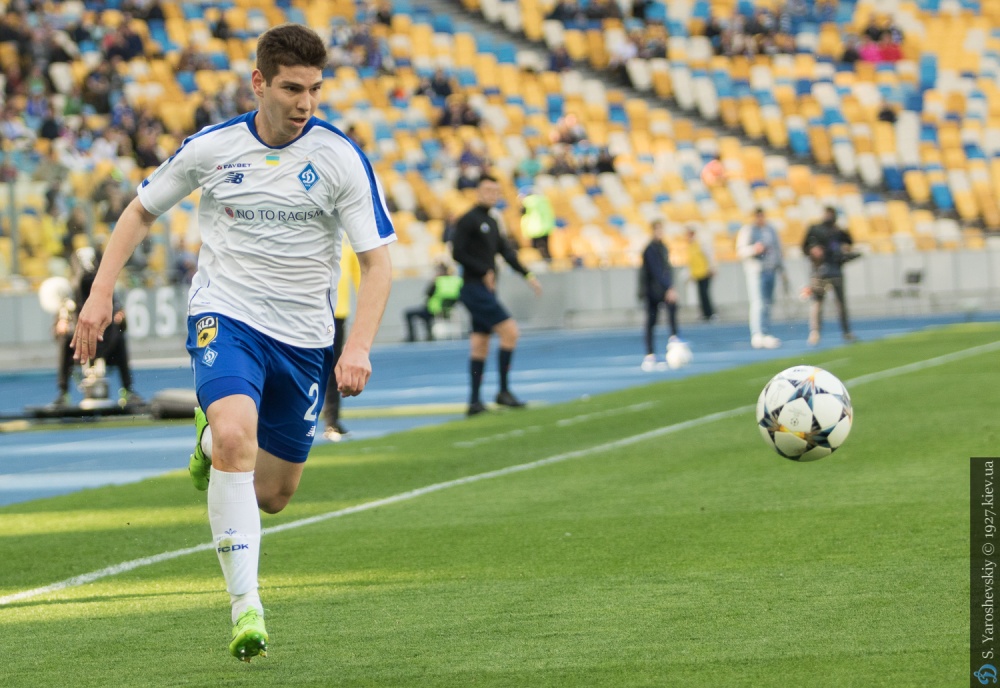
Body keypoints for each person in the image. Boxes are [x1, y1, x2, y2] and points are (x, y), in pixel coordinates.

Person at [71, 24, 395, 663]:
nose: (305, 103)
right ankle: (246, 606)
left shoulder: (339, 158)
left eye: (315, 89)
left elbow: (377, 261)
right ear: (258, 83)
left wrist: (357, 346)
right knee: (234, 438)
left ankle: (205, 438)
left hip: (304, 338)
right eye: (292, 88)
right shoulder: (211, 148)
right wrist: (100, 292)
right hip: (227, 315)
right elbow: (139, 211)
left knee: (272, 495)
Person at [451, 174, 542, 415]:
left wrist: (528, 275)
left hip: (486, 290)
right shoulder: (468, 220)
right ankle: (503, 391)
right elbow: (457, 253)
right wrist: (483, 270)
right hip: (473, 289)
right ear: (478, 192)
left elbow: (506, 252)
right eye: (487, 190)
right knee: (510, 332)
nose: (491, 194)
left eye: (495, 191)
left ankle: (474, 402)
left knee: (479, 344)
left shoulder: (493, 221)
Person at [54, 247, 141, 408]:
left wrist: (120, 320)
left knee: (120, 339)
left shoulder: (109, 295)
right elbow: (59, 327)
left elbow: (123, 325)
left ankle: (128, 390)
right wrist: (62, 325)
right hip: (80, 347)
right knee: (65, 342)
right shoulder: (70, 298)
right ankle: (63, 393)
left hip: (106, 344)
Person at [322, 240, 362, 441]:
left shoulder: (348, 239)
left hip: (337, 312)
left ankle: (332, 421)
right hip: (312, 311)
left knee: (332, 370)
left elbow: (360, 276)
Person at [802, 206, 858, 345]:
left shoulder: (838, 231)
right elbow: (805, 247)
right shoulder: (815, 230)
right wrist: (813, 251)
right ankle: (815, 332)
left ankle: (846, 331)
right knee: (817, 302)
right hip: (819, 270)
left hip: (835, 269)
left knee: (840, 303)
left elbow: (849, 243)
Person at [736, 208, 783, 349]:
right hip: (756, 271)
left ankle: (766, 331)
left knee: (768, 302)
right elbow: (740, 251)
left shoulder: (770, 229)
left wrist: (780, 266)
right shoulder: (748, 230)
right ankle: (757, 333)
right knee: (758, 302)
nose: (760, 218)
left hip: (770, 269)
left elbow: (777, 248)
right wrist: (754, 249)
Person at [638, 219, 678, 371]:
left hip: (660, 289)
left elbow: (667, 268)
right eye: (658, 230)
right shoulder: (650, 249)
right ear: (653, 231)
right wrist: (668, 287)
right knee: (651, 321)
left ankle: (673, 338)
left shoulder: (663, 247)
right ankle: (650, 354)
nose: (660, 232)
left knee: (671, 308)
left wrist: (669, 286)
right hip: (651, 290)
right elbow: (656, 271)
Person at [404, 262, 462, 342]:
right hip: (450, 309)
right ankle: (429, 335)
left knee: (409, 313)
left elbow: (428, 293)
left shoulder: (437, 281)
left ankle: (412, 338)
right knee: (425, 312)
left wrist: (433, 280)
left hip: (434, 309)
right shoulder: (457, 281)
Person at [685, 225, 716, 321]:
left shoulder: (700, 244)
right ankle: (704, 313)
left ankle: (710, 313)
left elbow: (709, 256)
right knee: (700, 295)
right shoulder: (691, 245)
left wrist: (712, 268)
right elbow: (692, 261)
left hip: (705, 272)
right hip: (697, 274)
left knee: (705, 294)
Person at [520, 187, 555, 262]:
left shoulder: (528, 201)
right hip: (546, 227)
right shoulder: (543, 200)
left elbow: (522, 212)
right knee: (545, 246)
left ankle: (544, 262)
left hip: (535, 228)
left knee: (538, 247)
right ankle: (548, 261)